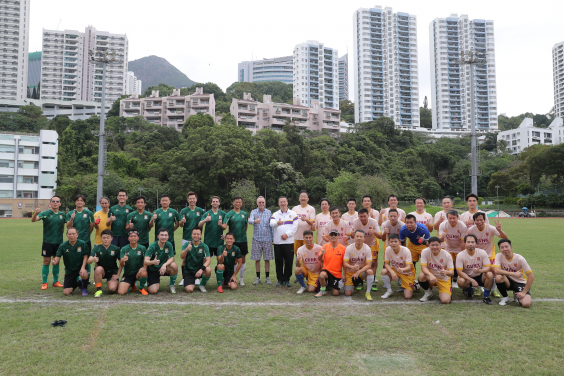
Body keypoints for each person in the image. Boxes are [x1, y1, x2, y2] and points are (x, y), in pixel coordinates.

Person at [468, 214, 508, 298]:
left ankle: (493, 289)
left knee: (493, 271)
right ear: (474, 221)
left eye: (481, 220)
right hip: (477, 255)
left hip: (489, 254)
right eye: (477, 220)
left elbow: (505, 239)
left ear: (484, 220)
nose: (479, 222)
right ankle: (478, 288)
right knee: (477, 271)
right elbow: (467, 242)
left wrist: (500, 230)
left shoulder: (490, 228)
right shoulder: (471, 230)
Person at [32, 195, 66, 290]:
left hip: (59, 242)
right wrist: (35, 213)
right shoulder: (45, 213)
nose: (55, 203)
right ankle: (44, 282)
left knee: (56, 261)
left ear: (60, 204)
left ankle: (55, 281)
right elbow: (33, 220)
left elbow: (63, 228)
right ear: (50, 203)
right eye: (53, 201)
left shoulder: (63, 215)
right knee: (46, 261)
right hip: (47, 242)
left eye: (57, 201)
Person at [493, 239, 534, 308]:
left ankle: (517, 294)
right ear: (499, 249)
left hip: (520, 282)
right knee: (498, 277)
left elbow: (531, 277)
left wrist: (523, 292)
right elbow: (496, 270)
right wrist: (513, 274)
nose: (504, 249)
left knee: (526, 304)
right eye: (502, 247)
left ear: (511, 248)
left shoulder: (520, 258)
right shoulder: (499, 256)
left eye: (506, 246)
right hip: (507, 281)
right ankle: (505, 298)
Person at [456, 235, 494, 304]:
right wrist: (472, 280)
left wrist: (480, 271)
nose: (470, 244)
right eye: (468, 242)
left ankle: (486, 296)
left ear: (476, 244)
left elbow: (488, 267)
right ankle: (470, 291)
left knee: (490, 274)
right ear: (465, 243)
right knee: (460, 281)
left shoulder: (482, 252)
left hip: (480, 276)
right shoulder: (460, 255)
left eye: (473, 242)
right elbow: (459, 272)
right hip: (468, 277)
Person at [352, 208, 383, 292]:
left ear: (368, 216)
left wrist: (374, 232)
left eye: (364, 216)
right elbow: (352, 235)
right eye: (360, 216)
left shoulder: (373, 222)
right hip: (360, 245)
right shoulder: (355, 222)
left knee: (373, 262)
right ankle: (360, 281)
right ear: (358, 216)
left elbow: (380, 236)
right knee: (360, 262)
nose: (363, 218)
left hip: (372, 244)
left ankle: (372, 280)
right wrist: (352, 233)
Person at [52, 227, 89, 296]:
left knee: (84, 274)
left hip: (80, 267)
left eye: (73, 234)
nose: (72, 236)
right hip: (70, 270)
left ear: (77, 235)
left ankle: (85, 287)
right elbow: (57, 258)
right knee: (66, 292)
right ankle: (79, 283)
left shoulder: (82, 244)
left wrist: (83, 267)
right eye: (69, 234)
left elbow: (85, 256)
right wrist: (55, 261)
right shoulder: (63, 246)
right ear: (67, 235)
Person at [270, 196, 298, 287]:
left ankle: (287, 279)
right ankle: (280, 279)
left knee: (289, 261)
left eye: (284, 202)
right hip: (278, 242)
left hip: (289, 242)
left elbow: (295, 227)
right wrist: (277, 223)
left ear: (287, 203)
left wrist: (287, 234)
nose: (283, 203)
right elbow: (271, 224)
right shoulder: (275, 214)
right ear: (278, 204)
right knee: (278, 261)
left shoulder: (293, 214)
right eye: (281, 202)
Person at [418, 237, 454, 304]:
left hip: (443, 279)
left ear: (440, 245)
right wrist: (431, 275)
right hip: (431, 278)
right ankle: (428, 292)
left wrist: (445, 272)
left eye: (437, 245)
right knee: (421, 276)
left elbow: (452, 273)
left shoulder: (447, 255)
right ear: (429, 245)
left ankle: (445, 291)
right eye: (432, 245)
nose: (435, 247)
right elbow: (423, 268)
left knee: (445, 301)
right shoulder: (424, 251)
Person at [438, 209, 468, 288]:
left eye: (454, 218)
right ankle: (447, 280)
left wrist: (462, 253)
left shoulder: (462, 226)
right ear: (447, 218)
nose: (452, 220)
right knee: (447, 265)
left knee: (457, 265)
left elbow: (463, 242)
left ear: (458, 217)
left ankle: (454, 281)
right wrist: (442, 237)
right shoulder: (443, 225)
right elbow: (439, 240)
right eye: (450, 218)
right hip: (447, 248)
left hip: (458, 248)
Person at [88, 229, 121, 298]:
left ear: (111, 238)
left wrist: (118, 274)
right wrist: (93, 259)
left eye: (108, 237)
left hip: (112, 271)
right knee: (98, 268)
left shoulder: (116, 249)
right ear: (101, 239)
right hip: (101, 271)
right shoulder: (97, 248)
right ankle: (98, 290)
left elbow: (121, 263)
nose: (106, 239)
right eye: (104, 238)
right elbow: (89, 260)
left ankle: (114, 283)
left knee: (112, 289)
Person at [144, 228, 178, 294]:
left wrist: (164, 265)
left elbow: (172, 258)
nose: (164, 237)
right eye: (162, 235)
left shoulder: (169, 245)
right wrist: (153, 262)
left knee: (174, 265)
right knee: (153, 291)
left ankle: (172, 284)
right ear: (158, 236)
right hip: (153, 270)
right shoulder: (152, 246)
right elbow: (146, 261)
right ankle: (149, 280)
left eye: (165, 235)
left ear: (168, 236)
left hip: (164, 268)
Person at [343, 230, 375, 301]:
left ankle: (368, 292)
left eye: (361, 236)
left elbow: (369, 265)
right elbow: (345, 263)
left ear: (364, 238)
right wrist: (351, 268)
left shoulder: (367, 248)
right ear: (354, 237)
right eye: (357, 236)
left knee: (370, 271)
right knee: (348, 293)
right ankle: (354, 285)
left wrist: (358, 272)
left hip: (361, 272)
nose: (359, 238)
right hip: (350, 272)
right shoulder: (349, 248)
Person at [381, 234, 415, 299]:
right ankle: (389, 290)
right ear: (389, 243)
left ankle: (415, 284)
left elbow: (409, 267)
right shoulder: (388, 249)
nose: (393, 243)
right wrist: (391, 272)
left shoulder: (406, 250)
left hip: (407, 273)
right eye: (391, 242)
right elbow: (386, 264)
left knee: (408, 296)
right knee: (384, 271)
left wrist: (402, 270)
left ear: (399, 242)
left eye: (395, 241)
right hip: (396, 270)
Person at [248, 196, 273, 285]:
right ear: (257, 203)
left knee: (267, 259)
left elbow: (271, 226)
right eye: (259, 202)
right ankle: (258, 277)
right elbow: (249, 220)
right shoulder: (254, 212)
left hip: (267, 239)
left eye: (263, 202)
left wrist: (272, 238)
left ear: (265, 203)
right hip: (256, 239)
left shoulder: (269, 212)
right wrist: (255, 221)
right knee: (257, 259)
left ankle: (267, 277)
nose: (261, 204)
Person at [224, 196, 249, 285]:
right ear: (233, 203)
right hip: (233, 241)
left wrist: (242, 234)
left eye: (239, 202)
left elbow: (246, 226)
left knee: (242, 259)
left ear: (241, 204)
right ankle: (233, 277)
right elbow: (225, 226)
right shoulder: (229, 214)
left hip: (243, 240)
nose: (238, 204)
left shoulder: (244, 214)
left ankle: (241, 279)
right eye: (236, 202)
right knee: (234, 260)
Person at [315, 229, 346, 297]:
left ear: (338, 236)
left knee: (335, 294)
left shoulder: (343, 248)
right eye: (331, 235)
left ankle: (330, 285)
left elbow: (344, 263)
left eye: (335, 235)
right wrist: (321, 254)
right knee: (322, 275)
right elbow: (319, 259)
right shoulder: (325, 246)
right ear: (329, 237)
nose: (333, 236)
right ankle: (323, 290)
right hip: (326, 270)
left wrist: (344, 274)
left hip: (337, 273)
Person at [118, 228, 148, 295]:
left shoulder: (142, 248)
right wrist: (123, 260)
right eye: (131, 236)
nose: (133, 238)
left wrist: (144, 268)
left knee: (144, 273)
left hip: (138, 272)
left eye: (135, 236)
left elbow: (145, 260)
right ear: (128, 238)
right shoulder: (124, 249)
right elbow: (122, 264)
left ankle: (141, 288)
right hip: (128, 273)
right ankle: (132, 284)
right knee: (121, 292)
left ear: (138, 238)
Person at [181, 227, 211, 293]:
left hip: (199, 270)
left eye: (198, 234)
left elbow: (208, 260)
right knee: (189, 290)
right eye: (194, 234)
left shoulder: (204, 246)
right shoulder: (186, 245)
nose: (196, 236)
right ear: (191, 235)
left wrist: (201, 269)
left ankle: (202, 285)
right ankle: (188, 280)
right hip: (188, 271)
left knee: (208, 269)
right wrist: (186, 249)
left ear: (201, 235)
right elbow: (182, 257)